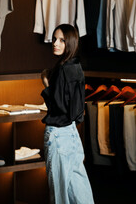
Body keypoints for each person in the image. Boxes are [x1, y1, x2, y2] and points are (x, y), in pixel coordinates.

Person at [41, 24, 94, 204]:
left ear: (70, 43)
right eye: (55, 39)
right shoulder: (76, 67)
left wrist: (47, 84)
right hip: (72, 134)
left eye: (62, 40)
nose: (55, 43)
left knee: (59, 195)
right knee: (81, 193)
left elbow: (60, 107)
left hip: (58, 134)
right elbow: (76, 111)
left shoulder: (62, 70)